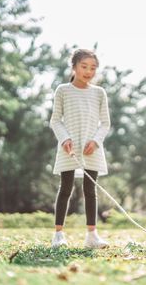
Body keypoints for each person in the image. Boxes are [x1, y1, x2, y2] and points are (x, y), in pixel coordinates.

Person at [49, 49, 110, 248]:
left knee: (90, 190)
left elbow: (105, 123)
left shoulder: (99, 93)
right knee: (65, 188)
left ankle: (92, 236)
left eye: (93, 68)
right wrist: (64, 139)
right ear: (74, 67)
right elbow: (55, 120)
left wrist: (95, 141)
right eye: (84, 67)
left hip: (92, 148)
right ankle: (58, 235)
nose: (88, 71)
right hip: (69, 147)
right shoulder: (63, 90)